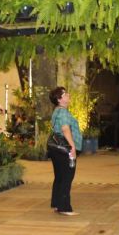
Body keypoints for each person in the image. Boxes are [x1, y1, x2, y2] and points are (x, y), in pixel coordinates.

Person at [48, 86, 83, 216]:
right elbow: (65, 129)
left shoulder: (57, 111)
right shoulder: (62, 112)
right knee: (67, 176)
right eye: (65, 94)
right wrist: (72, 147)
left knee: (60, 176)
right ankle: (64, 207)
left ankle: (58, 204)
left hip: (57, 148)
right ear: (59, 99)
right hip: (64, 148)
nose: (68, 95)